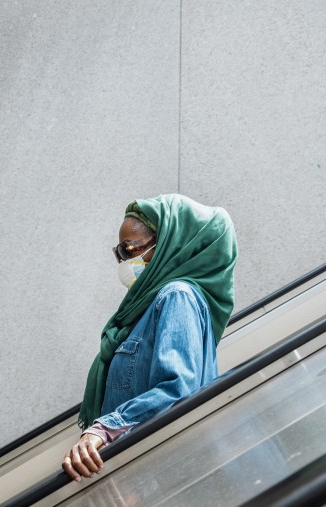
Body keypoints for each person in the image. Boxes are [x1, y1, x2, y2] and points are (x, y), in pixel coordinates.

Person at [61, 194, 237, 482]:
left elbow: (180, 388)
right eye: (120, 253)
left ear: (169, 245)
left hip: (159, 476)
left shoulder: (177, 297)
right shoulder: (148, 310)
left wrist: (104, 429)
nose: (125, 260)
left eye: (130, 249)